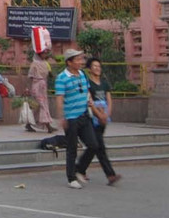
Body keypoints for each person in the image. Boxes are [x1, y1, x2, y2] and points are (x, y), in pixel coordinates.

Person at [55, 48, 120, 189]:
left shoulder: (82, 75)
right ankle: (71, 178)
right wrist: (61, 117)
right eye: (77, 59)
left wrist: (92, 105)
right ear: (69, 62)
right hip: (71, 118)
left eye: (81, 59)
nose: (81, 62)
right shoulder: (61, 78)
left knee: (94, 145)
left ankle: (79, 169)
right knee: (72, 149)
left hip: (84, 116)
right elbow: (59, 99)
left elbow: (87, 93)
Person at [78, 56, 116, 180]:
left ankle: (80, 169)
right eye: (94, 66)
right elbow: (89, 101)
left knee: (96, 147)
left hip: (103, 117)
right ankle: (110, 174)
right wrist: (99, 115)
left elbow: (109, 100)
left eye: (99, 66)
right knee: (99, 146)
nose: (97, 68)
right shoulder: (88, 83)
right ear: (89, 69)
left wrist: (107, 114)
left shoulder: (104, 83)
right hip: (93, 117)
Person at [27, 49, 57, 133]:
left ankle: (29, 123)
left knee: (38, 106)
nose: (45, 55)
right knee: (42, 105)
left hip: (43, 86)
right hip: (36, 86)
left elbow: (49, 74)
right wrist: (28, 88)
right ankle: (48, 126)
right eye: (44, 53)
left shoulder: (45, 63)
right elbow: (30, 77)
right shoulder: (34, 64)